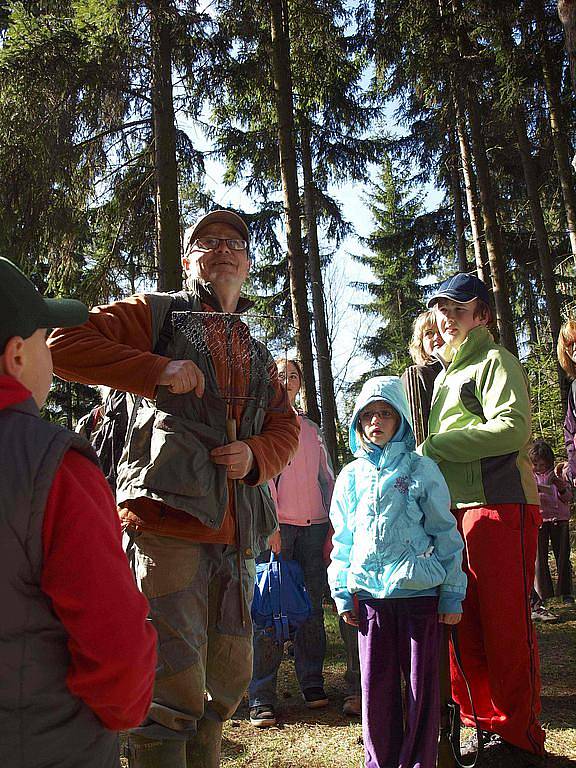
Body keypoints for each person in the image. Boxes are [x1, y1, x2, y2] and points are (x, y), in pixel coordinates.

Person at [48, 209, 300, 768]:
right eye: (208, 241)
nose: (223, 250)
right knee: (169, 685)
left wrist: (257, 455)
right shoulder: (157, 313)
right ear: (188, 259)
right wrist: (157, 369)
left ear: (249, 264)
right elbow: (62, 344)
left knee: (225, 683)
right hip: (166, 530)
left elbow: (286, 427)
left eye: (235, 243)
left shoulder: (256, 348)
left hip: (237, 538)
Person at [0, 257, 156, 768]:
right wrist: (121, 714)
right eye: (47, 340)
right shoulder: (53, 466)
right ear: (18, 354)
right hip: (46, 744)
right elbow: (118, 649)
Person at [420, 273, 546, 765]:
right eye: (440, 309)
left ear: (481, 316)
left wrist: (435, 446)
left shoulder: (496, 362)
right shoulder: (443, 376)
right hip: (453, 517)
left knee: (505, 627)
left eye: (457, 309)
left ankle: (518, 736)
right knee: (462, 624)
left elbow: (511, 431)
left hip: (500, 507)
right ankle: (480, 729)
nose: (446, 319)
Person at [328, 376, 466, 768]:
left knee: (422, 691)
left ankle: (421, 761)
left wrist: (452, 592)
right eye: (368, 414)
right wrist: (342, 592)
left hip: (419, 593)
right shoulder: (350, 477)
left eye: (385, 412)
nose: (376, 420)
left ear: (401, 418)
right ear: (357, 422)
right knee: (376, 690)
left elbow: (445, 532)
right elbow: (342, 541)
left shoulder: (424, 469)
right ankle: (381, 761)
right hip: (370, 598)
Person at [249, 358, 335, 727]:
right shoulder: (264, 423)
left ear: (301, 382)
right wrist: (270, 527)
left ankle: (312, 683)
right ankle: (261, 695)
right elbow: (262, 477)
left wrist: (335, 522)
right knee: (269, 612)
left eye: (293, 375)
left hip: (315, 528)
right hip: (279, 529)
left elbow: (326, 478)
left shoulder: (311, 428)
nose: (286, 380)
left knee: (311, 609)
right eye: (279, 375)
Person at [530, 440, 573, 619]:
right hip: (539, 519)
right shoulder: (529, 476)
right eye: (537, 464)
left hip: (559, 518)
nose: (540, 467)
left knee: (562, 555)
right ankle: (543, 595)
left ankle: (565, 592)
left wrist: (561, 487)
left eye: (543, 464)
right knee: (539, 559)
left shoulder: (559, 473)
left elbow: (568, 497)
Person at [401, 309, 444, 442]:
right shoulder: (416, 375)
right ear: (421, 342)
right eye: (429, 333)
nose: (436, 337)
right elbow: (418, 434)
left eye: (440, 331)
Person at [557, 318, 576, 486]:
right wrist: (572, 470)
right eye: (570, 344)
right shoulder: (574, 388)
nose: (574, 348)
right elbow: (570, 432)